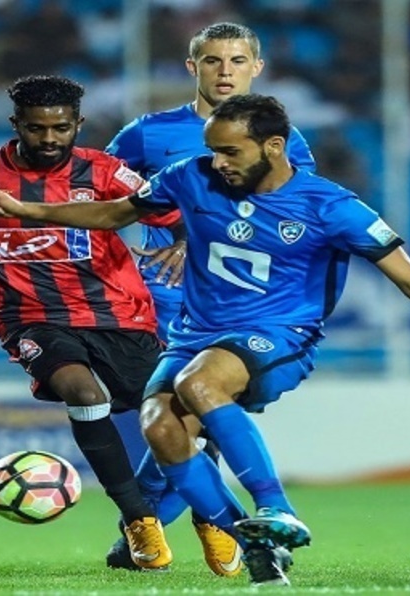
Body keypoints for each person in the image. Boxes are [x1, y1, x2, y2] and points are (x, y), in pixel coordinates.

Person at [0, 93, 410, 586]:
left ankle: (276, 508)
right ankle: (251, 543)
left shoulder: (331, 206)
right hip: (194, 333)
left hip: (280, 334)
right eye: (213, 149)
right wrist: (26, 208)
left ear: (273, 147)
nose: (217, 162)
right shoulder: (190, 177)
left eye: (230, 151)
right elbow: (117, 213)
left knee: (200, 386)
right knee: (159, 425)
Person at [0, 75, 183, 572]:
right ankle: (139, 520)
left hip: (117, 314)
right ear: (16, 124)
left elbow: (169, 212)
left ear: (77, 123)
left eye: (61, 128)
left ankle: (212, 517)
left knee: (177, 416)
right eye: (37, 129)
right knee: (84, 394)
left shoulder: (105, 171)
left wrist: (182, 242)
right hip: (29, 316)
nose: (50, 139)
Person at [101, 22, 317, 578]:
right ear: (192, 67)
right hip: (163, 303)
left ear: (257, 68)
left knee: (190, 420)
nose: (226, 71)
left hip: (241, 307)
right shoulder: (146, 135)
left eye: (238, 61)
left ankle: (147, 525)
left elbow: (288, 216)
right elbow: (102, 202)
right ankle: (177, 526)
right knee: (172, 420)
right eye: (215, 61)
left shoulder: (284, 142)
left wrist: (193, 238)